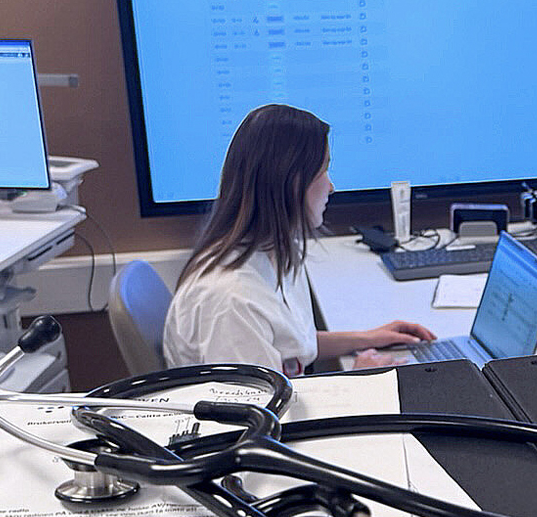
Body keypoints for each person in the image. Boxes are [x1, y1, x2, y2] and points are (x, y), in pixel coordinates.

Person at [164, 103, 434, 371]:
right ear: (291, 183)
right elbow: (261, 399)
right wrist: (359, 377)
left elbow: (288, 345)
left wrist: (367, 338)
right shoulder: (231, 300)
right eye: (323, 171)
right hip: (272, 400)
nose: (331, 186)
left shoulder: (270, 251)